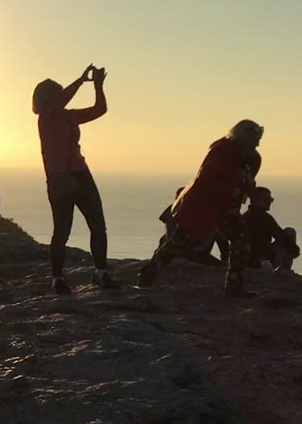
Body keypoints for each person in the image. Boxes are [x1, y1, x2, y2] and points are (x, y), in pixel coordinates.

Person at [137, 120, 265, 297]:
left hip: (226, 209)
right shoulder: (221, 151)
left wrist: (243, 190)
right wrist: (233, 189)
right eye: (254, 139)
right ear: (243, 137)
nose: (257, 143)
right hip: (203, 209)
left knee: (241, 240)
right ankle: (148, 273)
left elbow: (246, 181)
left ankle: (234, 285)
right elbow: (207, 180)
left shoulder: (251, 158)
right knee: (179, 244)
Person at [33, 64, 117, 293]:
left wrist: (98, 86)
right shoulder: (45, 118)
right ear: (45, 99)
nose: (61, 97)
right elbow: (60, 101)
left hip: (81, 174)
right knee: (62, 231)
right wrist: (80, 80)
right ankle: (57, 279)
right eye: (56, 93)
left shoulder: (69, 116)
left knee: (98, 225)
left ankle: (101, 273)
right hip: (59, 178)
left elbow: (100, 109)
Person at [243, 186, 299, 273]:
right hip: (263, 262)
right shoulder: (264, 217)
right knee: (290, 231)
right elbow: (280, 235)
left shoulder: (244, 217)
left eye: (270, 200)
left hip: (246, 262)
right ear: (255, 200)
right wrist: (295, 249)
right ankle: (285, 269)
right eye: (266, 199)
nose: (269, 202)